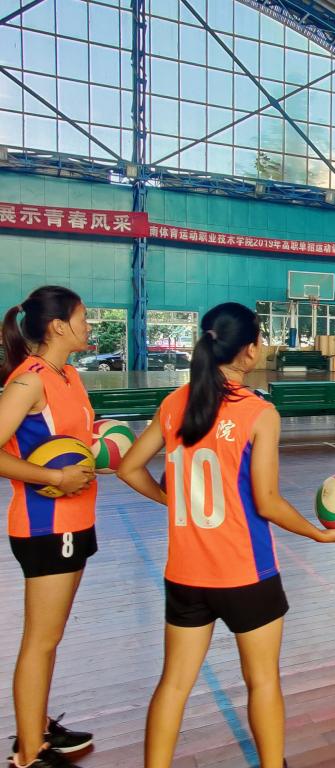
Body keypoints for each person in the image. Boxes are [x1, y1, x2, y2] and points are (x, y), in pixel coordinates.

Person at [116, 302, 335, 768]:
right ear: (249, 351)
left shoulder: (174, 404)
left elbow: (128, 468)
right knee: (262, 681)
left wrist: (173, 500)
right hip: (246, 573)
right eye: (260, 339)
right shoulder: (258, 412)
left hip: (185, 574)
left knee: (173, 684)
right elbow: (267, 502)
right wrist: (316, 535)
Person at [0, 287, 97, 768]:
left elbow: (75, 441)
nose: (88, 325)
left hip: (76, 521)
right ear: (58, 326)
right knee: (39, 640)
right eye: (83, 317)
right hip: (46, 527)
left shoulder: (68, 375)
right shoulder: (28, 382)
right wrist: (55, 478)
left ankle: (36, 726)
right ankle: (26, 754)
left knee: (49, 637)